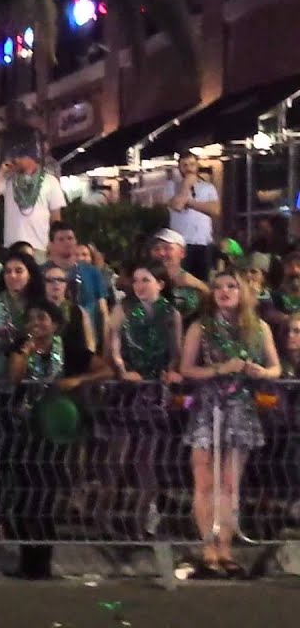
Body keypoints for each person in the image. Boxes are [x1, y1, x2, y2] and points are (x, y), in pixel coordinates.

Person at [178, 270, 280, 579]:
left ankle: (226, 549)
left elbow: (276, 367)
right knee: (205, 479)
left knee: (230, 483)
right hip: (208, 407)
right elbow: (187, 368)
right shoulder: (201, 327)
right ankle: (207, 547)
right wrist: (221, 368)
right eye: (219, 286)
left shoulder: (258, 328)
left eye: (231, 286)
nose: (224, 291)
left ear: (243, 291)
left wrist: (261, 371)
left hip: (240, 408)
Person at [8, 296, 108, 578]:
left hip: (56, 428)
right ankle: (27, 561)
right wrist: (25, 354)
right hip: (26, 426)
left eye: (43, 318)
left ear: (55, 324)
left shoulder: (71, 351)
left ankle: (43, 561)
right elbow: (14, 379)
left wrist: (78, 380)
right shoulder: (20, 347)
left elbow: (105, 369)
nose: (36, 324)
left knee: (45, 496)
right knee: (24, 497)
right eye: (32, 319)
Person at [103, 261, 183, 536]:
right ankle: (104, 519)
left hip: (154, 391)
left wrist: (169, 370)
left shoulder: (170, 313)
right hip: (127, 389)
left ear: (160, 284)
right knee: (117, 457)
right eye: (136, 280)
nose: (139, 286)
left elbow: (176, 351)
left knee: (146, 460)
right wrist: (124, 371)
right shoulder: (123, 309)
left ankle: (140, 522)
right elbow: (112, 347)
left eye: (146, 280)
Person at [0, 123, 66, 261]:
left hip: (40, 249)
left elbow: (56, 219)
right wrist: (2, 171)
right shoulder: (9, 180)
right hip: (12, 247)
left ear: (28, 156)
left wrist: (55, 246)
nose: (12, 160)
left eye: (15, 157)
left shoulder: (50, 181)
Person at [0, 252, 45, 380]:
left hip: (36, 374)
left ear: (30, 274)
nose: (12, 276)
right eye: (8, 272)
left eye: (19, 271)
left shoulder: (42, 305)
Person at [163, 150, 220, 280]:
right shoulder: (172, 186)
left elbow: (215, 210)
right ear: (179, 167)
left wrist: (189, 203)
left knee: (203, 280)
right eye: (185, 165)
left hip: (204, 242)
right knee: (181, 279)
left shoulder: (208, 187)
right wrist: (187, 184)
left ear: (197, 165)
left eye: (192, 164)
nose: (189, 169)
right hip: (182, 243)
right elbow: (177, 205)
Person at [45, 222, 110, 335]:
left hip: (88, 338)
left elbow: (103, 312)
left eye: (70, 238)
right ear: (51, 244)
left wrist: (106, 348)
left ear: (76, 242)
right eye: (61, 239)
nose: (67, 243)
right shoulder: (42, 272)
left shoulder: (92, 272)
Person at [151, 229, 209, 323]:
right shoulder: (142, 278)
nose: (161, 253)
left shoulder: (191, 285)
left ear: (182, 253)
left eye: (167, 248)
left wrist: (200, 285)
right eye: (156, 249)